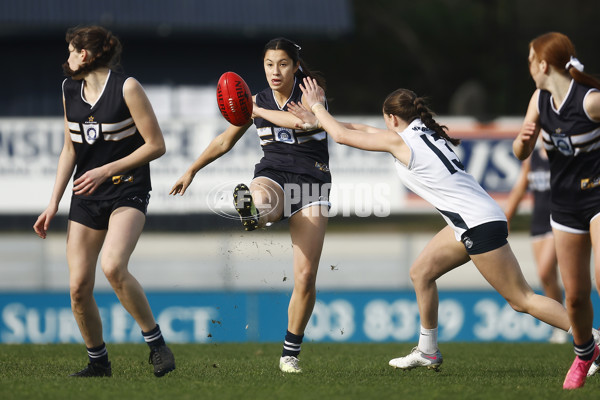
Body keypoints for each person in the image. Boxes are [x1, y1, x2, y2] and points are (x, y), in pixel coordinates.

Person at [291, 76, 598, 382]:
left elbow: (344, 137)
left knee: (522, 299)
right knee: (421, 272)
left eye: (386, 122)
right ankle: (428, 350)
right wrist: (320, 120)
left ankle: (592, 339)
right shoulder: (419, 131)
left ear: (392, 118)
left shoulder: (401, 141)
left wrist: (317, 107)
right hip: (471, 219)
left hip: (476, 223)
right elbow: (361, 130)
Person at [170, 38, 330, 373]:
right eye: (269, 64)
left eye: (283, 64)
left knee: (305, 275)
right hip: (273, 173)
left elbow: (301, 123)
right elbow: (225, 140)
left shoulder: (311, 93)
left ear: (296, 66)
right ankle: (253, 211)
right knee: (260, 197)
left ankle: (289, 354)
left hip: (312, 184)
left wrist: (253, 110)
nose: (275, 71)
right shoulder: (256, 100)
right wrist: (192, 169)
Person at [33, 26, 175, 378]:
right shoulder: (69, 89)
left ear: (86, 54)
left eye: (71, 50)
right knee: (78, 287)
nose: (66, 57)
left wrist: (106, 170)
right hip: (87, 197)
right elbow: (70, 148)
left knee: (112, 267)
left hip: (128, 189)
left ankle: (156, 345)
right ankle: (99, 362)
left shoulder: (127, 87)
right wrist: (53, 203)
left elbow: (156, 145)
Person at [513, 32, 600, 389]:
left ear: (543, 64)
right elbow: (520, 153)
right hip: (563, 206)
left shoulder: (592, 101)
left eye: (531, 61)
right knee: (575, 296)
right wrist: (523, 140)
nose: (529, 68)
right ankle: (585, 354)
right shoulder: (539, 99)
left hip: (597, 197)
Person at [504, 142, 567, 344]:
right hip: (538, 223)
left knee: (545, 270)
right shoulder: (533, 158)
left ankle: (566, 324)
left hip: (559, 221)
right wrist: (506, 219)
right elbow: (520, 189)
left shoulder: (564, 153)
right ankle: (560, 326)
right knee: (547, 278)